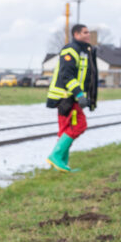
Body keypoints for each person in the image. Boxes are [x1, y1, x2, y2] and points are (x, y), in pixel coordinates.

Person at [46, 24, 98, 172]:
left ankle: (60, 166)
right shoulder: (71, 50)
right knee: (79, 125)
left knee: (65, 130)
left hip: (70, 96)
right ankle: (55, 156)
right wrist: (79, 94)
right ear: (76, 34)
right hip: (66, 97)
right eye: (85, 32)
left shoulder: (83, 52)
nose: (88, 35)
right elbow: (66, 74)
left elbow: (86, 77)